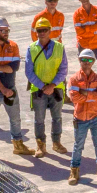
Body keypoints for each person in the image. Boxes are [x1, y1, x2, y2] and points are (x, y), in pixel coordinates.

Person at [0, 17, 32, 156]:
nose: (6, 33)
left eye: (7, 30)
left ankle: (18, 145)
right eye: (3, 30)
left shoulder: (13, 46)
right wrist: (4, 89)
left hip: (11, 89)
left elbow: (14, 67)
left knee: (15, 119)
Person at [66, 50, 97, 184]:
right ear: (79, 60)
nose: (86, 63)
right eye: (83, 60)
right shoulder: (74, 79)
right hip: (81, 118)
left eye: (89, 60)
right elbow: (74, 97)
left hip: (96, 117)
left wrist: (85, 93)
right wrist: (93, 95)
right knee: (78, 146)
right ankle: (74, 170)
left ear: (93, 62)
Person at [26, 18, 69, 153]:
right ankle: (41, 145)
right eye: (39, 30)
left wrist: (52, 85)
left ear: (50, 31)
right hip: (39, 91)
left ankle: (56, 142)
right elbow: (29, 71)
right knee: (39, 119)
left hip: (56, 89)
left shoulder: (59, 47)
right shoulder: (32, 49)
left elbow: (64, 69)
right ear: (36, 32)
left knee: (57, 118)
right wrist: (43, 86)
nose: (42, 33)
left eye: (45, 30)